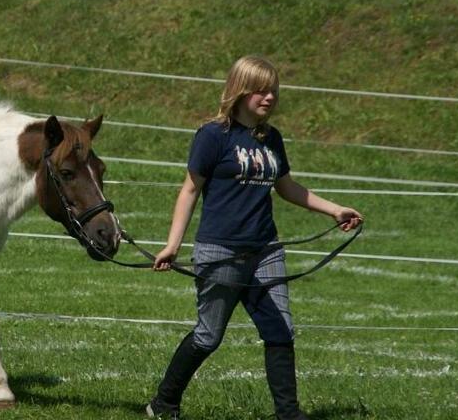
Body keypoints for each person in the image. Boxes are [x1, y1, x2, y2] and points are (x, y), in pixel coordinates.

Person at [146, 56, 363, 420]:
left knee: (280, 329)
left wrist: (335, 209)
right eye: (261, 90)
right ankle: (163, 404)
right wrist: (173, 245)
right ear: (240, 90)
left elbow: (287, 187)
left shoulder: (271, 138)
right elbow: (189, 191)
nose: (269, 97)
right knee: (208, 336)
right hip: (221, 250)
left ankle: (289, 413)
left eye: (274, 90)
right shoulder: (213, 136)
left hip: (266, 249)